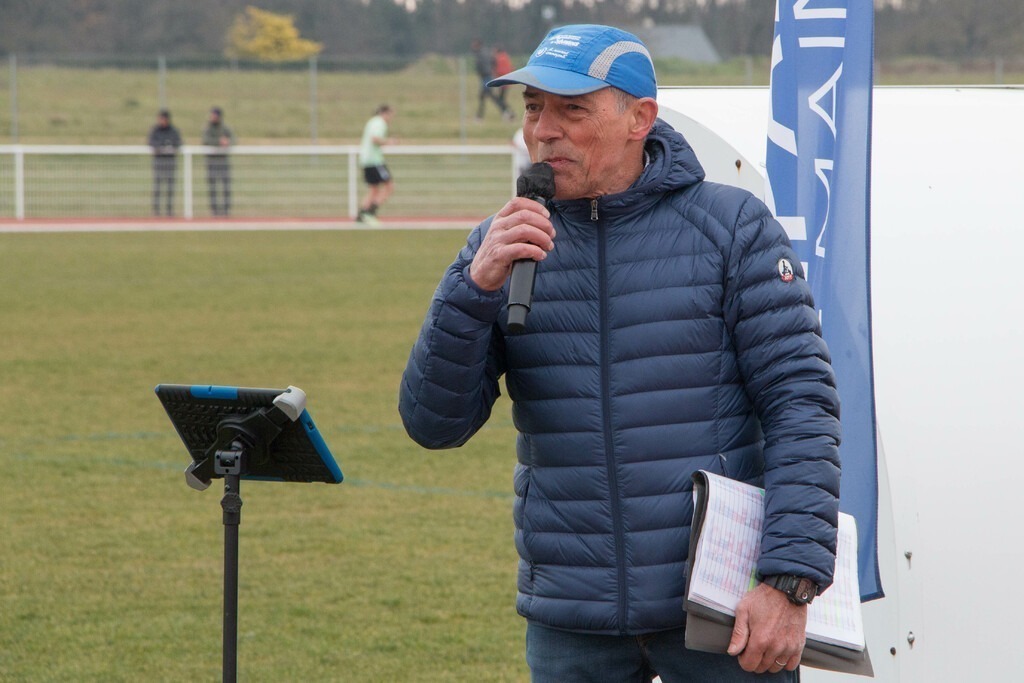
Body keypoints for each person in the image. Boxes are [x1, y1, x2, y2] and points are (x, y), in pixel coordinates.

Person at [399, 24, 841, 683]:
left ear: (640, 118)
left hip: (724, 612)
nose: (544, 130)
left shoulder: (731, 228)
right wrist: (472, 290)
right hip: (571, 618)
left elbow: (801, 406)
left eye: (572, 110)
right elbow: (434, 424)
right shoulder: (501, 245)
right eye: (533, 108)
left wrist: (788, 580)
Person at [356, 103, 396, 226]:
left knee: (373, 190)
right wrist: (389, 142)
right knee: (389, 186)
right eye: (390, 115)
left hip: (365, 160)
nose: (391, 118)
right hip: (374, 160)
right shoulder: (380, 123)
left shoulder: (372, 121)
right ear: (384, 113)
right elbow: (375, 139)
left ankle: (361, 217)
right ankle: (370, 213)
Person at [147, 109, 182, 216]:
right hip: (159, 161)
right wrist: (160, 147)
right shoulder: (155, 130)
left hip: (170, 161)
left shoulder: (173, 131)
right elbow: (151, 142)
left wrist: (170, 146)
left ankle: (169, 210)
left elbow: (178, 142)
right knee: (157, 186)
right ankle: (156, 211)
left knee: (170, 187)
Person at [202, 106, 235, 216]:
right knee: (212, 187)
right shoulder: (208, 128)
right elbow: (205, 140)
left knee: (226, 186)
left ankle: (226, 210)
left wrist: (228, 142)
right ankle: (214, 210)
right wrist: (219, 142)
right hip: (212, 162)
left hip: (223, 161)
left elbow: (233, 139)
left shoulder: (225, 128)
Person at [472, 39, 514, 121]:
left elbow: (500, 68)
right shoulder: (489, 54)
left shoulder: (484, 55)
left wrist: (494, 74)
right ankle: (507, 113)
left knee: (494, 97)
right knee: (490, 97)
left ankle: (508, 112)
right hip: (493, 78)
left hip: (490, 78)